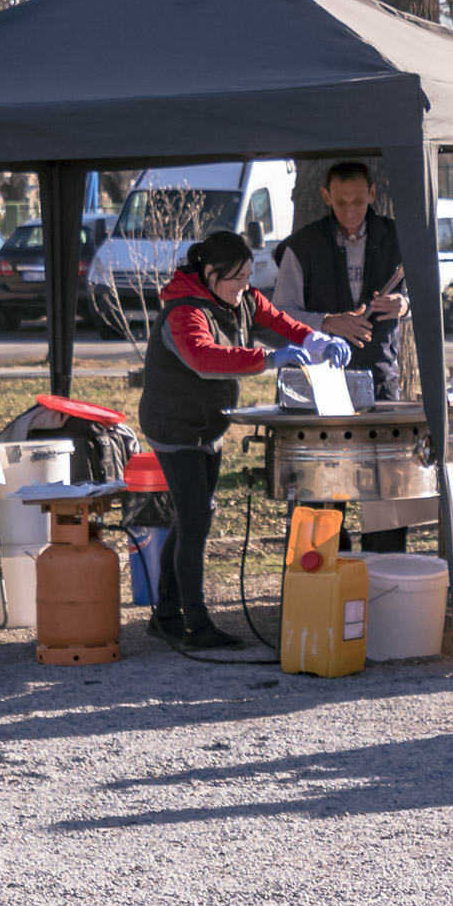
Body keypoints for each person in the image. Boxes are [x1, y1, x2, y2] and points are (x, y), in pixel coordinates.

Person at [140, 231, 349, 648]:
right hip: (173, 425)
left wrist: (314, 340)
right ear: (211, 273)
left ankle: (165, 614)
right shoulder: (184, 312)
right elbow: (204, 357)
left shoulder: (244, 298)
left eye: (249, 277)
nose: (244, 288)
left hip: (208, 424)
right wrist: (270, 360)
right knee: (196, 519)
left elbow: (277, 321)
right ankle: (195, 625)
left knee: (191, 516)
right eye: (236, 279)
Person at [273, 160, 410, 552]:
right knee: (321, 488)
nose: (350, 213)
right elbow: (280, 317)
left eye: (358, 202)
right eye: (341, 203)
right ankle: (324, 568)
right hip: (322, 385)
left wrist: (403, 305)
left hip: (381, 378)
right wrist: (327, 322)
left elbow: (424, 291)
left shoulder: (398, 237)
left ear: (372, 194)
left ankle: (385, 571)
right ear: (325, 197)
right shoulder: (302, 246)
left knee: (384, 489)